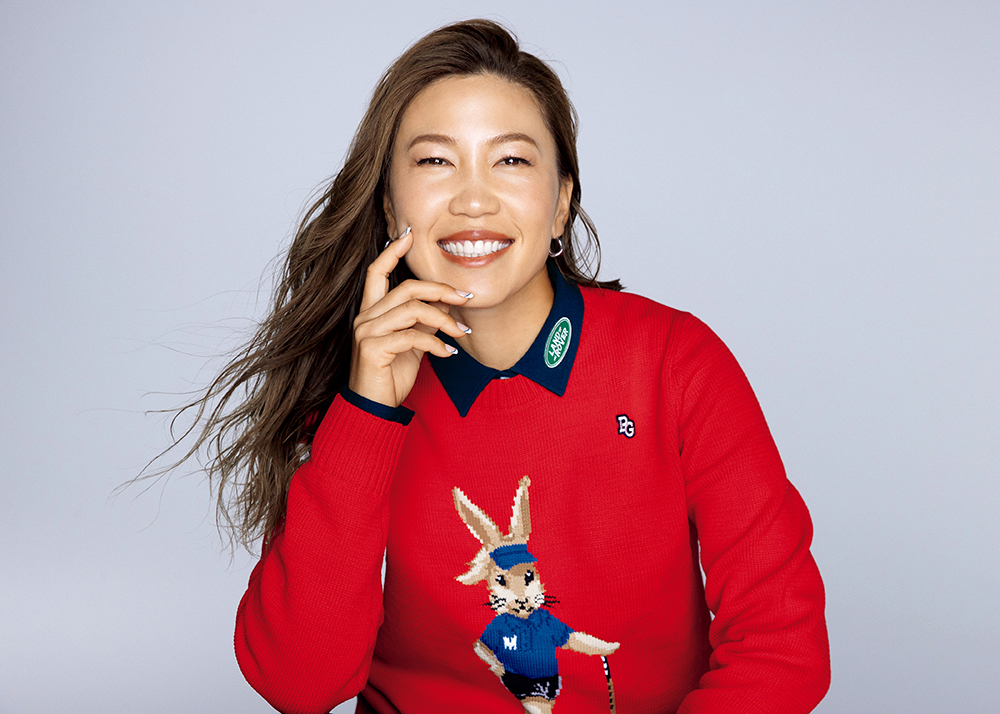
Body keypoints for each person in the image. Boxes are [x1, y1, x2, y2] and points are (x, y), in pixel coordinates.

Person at [187, 19, 829, 714]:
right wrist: (367, 412)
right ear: (389, 208)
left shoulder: (676, 363)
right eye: (436, 162)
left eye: (512, 160)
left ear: (561, 204)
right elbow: (298, 683)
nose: (473, 199)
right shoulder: (357, 392)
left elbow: (781, 644)